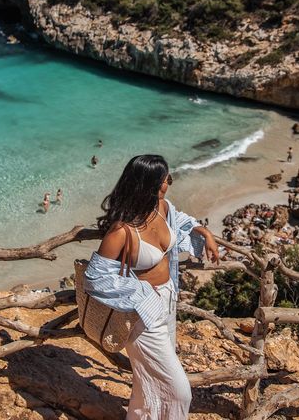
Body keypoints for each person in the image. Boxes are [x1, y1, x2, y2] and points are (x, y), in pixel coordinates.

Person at [84, 155, 219, 420]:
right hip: (140, 314)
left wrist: (205, 233)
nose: (168, 184)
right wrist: (142, 293)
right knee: (180, 392)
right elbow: (95, 278)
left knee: (147, 380)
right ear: (147, 184)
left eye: (169, 178)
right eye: (165, 180)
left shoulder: (163, 208)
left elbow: (180, 220)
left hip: (168, 302)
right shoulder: (121, 231)